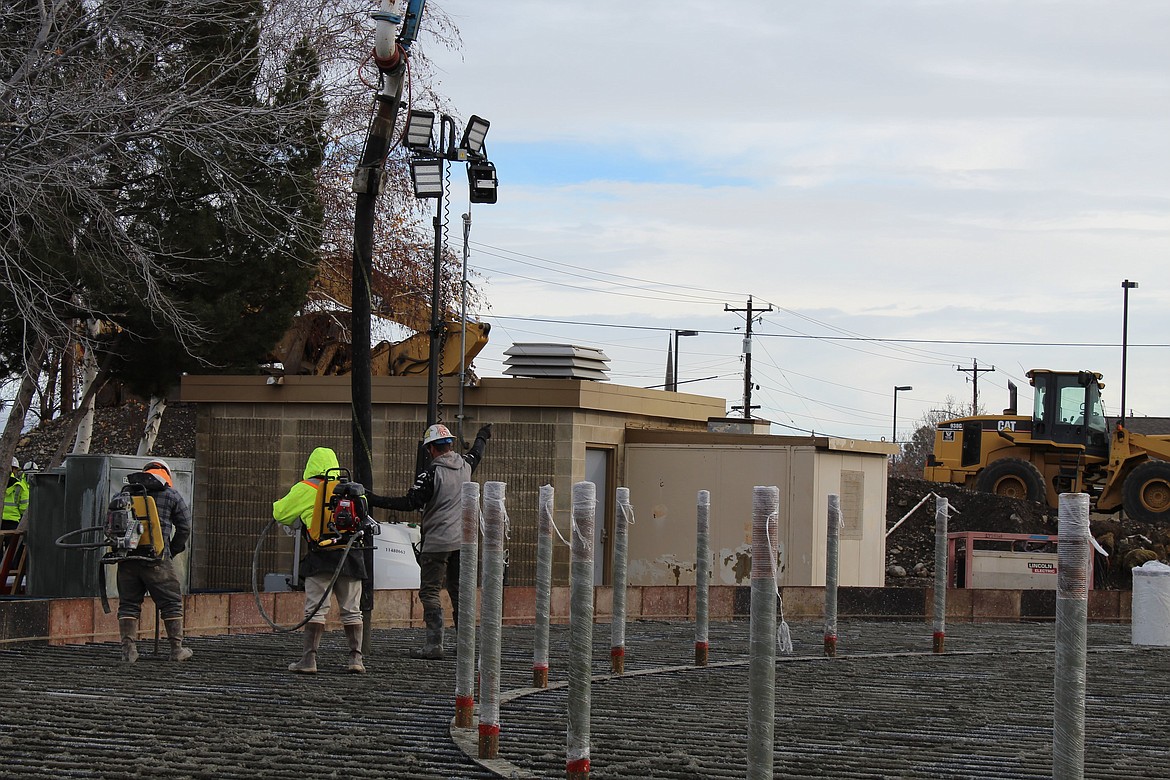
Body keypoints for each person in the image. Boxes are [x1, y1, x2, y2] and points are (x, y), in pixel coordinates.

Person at [367, 422, 491, 660]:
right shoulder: (465, 465)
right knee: (460, 592)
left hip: (437, 543)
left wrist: (370, 498)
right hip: (463, 542)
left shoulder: (431, 474)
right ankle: (466, 645)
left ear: (431, 449)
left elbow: (409, 503)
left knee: (430, 591)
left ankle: (434, 645)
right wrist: (483, 435)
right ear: (450, 444)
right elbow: (477, 453)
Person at [273, 446, 368, 674]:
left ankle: (309, 660)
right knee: (352, 610)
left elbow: (280, 513)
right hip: (350, 555)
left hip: (320, 557)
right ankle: (356, 659)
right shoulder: (353, 489)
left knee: (315, 609)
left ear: (311, 466)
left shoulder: (305, 488)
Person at [116, 459, 193, 663]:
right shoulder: (171, 495)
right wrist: (172, 550)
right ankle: (176, 649)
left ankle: (128, 651)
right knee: (171, 603)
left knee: (128, 605)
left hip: (127, 558)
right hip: (156, 559)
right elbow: (185, 527)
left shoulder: (123, 494)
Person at [2, 458, 29, 532]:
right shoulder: (19, 486)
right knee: (13, 543)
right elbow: (24, 508)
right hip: (12, 522)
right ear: (14, 469)